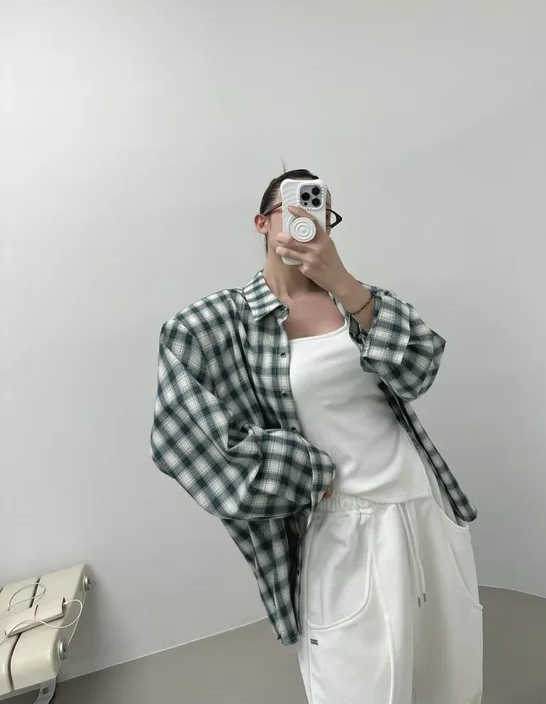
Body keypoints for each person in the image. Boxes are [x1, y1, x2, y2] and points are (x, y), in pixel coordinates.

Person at [150, 169, 483, 704]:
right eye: (292, 207)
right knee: (357, 686)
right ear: (262, 222)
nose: (307, 220)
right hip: (336, 523)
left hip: (422, 502)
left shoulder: (359, 299)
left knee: (447, 677)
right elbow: (181, 438)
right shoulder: (213, 324)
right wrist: (307, 472)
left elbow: (420, 370)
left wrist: (345, 284)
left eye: (320, 211)